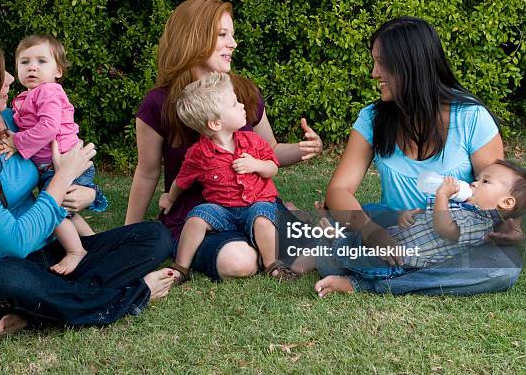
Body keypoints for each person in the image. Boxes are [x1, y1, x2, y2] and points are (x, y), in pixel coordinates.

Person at [0, 33, 177, 336]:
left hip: (51, 254)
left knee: (154, 235)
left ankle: (40, 311)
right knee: (15, 279)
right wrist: (64, 176)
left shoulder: (12, 119)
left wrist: (90, 193)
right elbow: (16, 241)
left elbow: (56, 165)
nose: (11, 77)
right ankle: (130, 295)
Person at [314, 16, 523, 297]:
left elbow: (499, 192)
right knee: (342, 239)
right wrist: (372, 232)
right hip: (395, 229)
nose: (374, 73)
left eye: (381, 63)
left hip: (450, 241)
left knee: (502, 269)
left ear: (409, 65)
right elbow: (339, 189)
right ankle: (382, 264)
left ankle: (367, 283)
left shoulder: (471, 117)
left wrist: (512, 224)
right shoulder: (372, 119)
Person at [125, 0, 323, 281]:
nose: (233, 43)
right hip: (203, 216)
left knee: (311, 258)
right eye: (222, 35)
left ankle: (281, 228)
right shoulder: (159, 103)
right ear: (193, 38)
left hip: (255, 206)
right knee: (239, 263)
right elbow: (147, 173)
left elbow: (271, 151)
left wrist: (304, 148)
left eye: (233, 34)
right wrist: (129, 233)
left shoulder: (244, 93)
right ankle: (279, 233)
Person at [159, 73, 298, 282]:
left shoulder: (253, 142)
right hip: (222, 210)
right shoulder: (199, 154)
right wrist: (170, 198)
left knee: (263, 217)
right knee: (197, 216)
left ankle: (273, 265)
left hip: (256, 203)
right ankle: (181, 267)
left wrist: (256, 165)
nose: (242, 105)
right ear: (215, 123)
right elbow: (182, 180)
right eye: (234, 104)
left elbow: (272, 168)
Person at [317, 160, 526, 295]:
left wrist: (442, 195)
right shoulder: (462, 208)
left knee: (361, 260)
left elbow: (445, 228)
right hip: (397, 238)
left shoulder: (480, 225)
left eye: (485, 181)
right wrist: (406, 217)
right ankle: (335, 240)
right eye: (477, 178)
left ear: (506, 202)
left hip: (404, 259)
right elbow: (428, 221)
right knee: (362, 241)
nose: (473, 183)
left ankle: (341, 256)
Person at [0, 34, 104, 275]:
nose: (32, 67)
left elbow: (48, 128)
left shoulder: (48, 92)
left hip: (67, 164)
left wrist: (16, 142)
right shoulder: (26, 97)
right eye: (25, 62)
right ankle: (97, 244)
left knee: (52, 214)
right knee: (65, 211)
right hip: (53, 169)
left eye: (42, 61)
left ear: (58, 71)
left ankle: (77, 252)